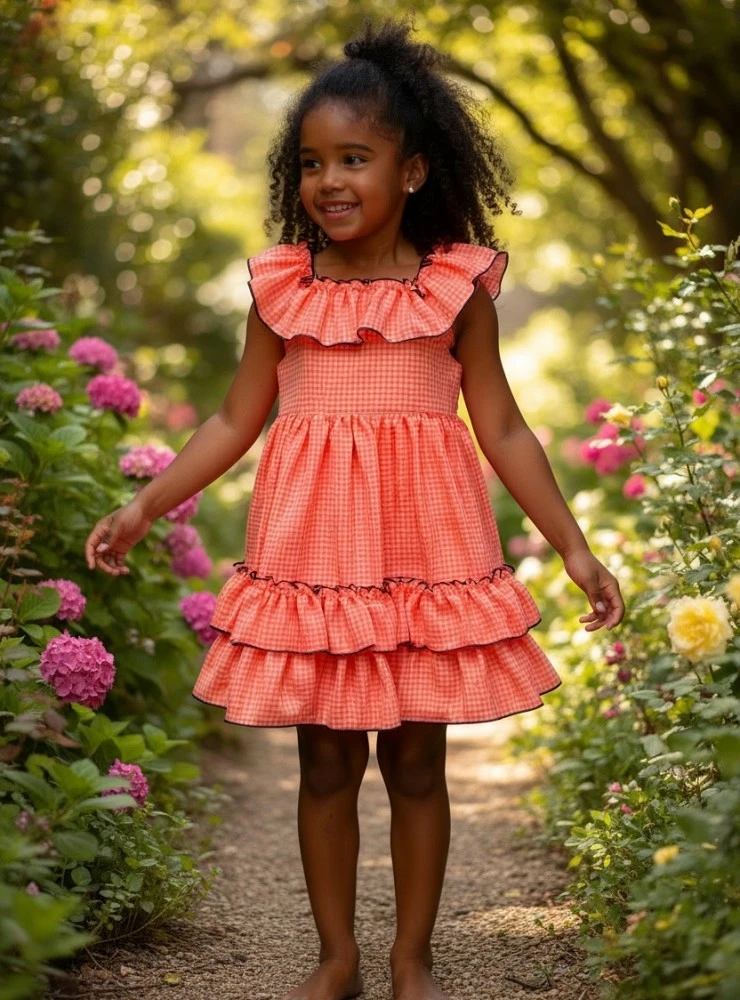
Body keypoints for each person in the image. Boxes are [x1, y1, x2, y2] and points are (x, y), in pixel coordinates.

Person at [85, 15, 625, 1000]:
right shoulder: (279, 290)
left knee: (416, 763)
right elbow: (231, 418)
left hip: (426, 554)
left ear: (412, 171)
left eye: (354, 158)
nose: (328, 181)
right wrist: (144, 505)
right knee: (325, 762)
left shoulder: (455, 288)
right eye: (310, 162)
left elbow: (503, 429)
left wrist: (575, 548)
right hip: (314, 561)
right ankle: (335, 959)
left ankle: (409, 959)